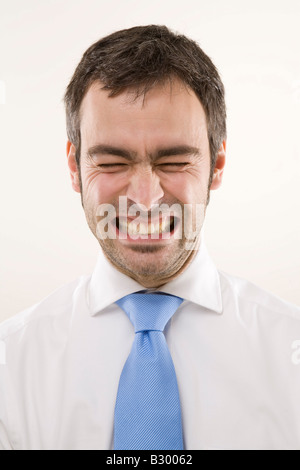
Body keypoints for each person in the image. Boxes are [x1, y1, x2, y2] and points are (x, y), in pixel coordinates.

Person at [0, 25, 299, 451]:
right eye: (112, 161)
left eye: (174, 161)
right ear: (74, 168)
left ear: (216, 165)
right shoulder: (10, 369)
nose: (144, 197)